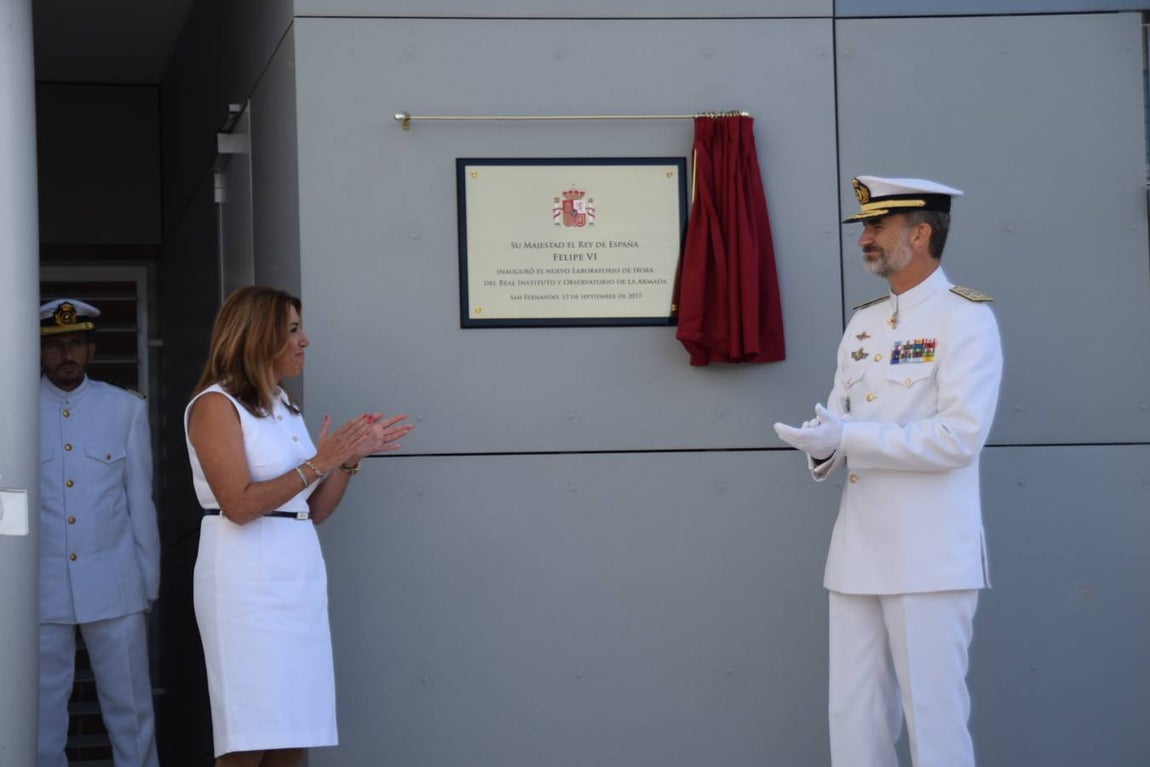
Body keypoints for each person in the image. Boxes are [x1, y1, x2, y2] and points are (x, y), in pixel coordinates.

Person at [773, 176, 1003, 767]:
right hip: (857, 550)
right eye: (864, 229)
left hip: (928, 554)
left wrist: (847, 437)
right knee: (853, 714)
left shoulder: (964, 321)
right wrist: (822, 445)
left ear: (921, 232)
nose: (865, 240)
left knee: (934, 715)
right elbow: (841, 418)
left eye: (878, 228)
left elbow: (959, 438)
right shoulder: (866, 323)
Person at [184, 285, 412, 767]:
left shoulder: (283, 405)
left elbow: (313, 509)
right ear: (258, 335)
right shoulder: (215, 405)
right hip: (245, 588)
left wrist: (347, 461)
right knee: (250, 736)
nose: (304, 340)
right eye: (292, 329)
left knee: (293, 732)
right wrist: (319, 461)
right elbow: (239, 505)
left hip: (296, 581)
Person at [38, 298, 161, 767]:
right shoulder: (14, 409)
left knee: (131, 712)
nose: (65, 355)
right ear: (41, 353)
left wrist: (146, 585)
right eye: (54, 346)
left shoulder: (123, 409)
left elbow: (139, 503)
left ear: (90, 350)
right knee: (40, 717)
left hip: (115, 583)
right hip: (41, 589)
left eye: (74, 344)